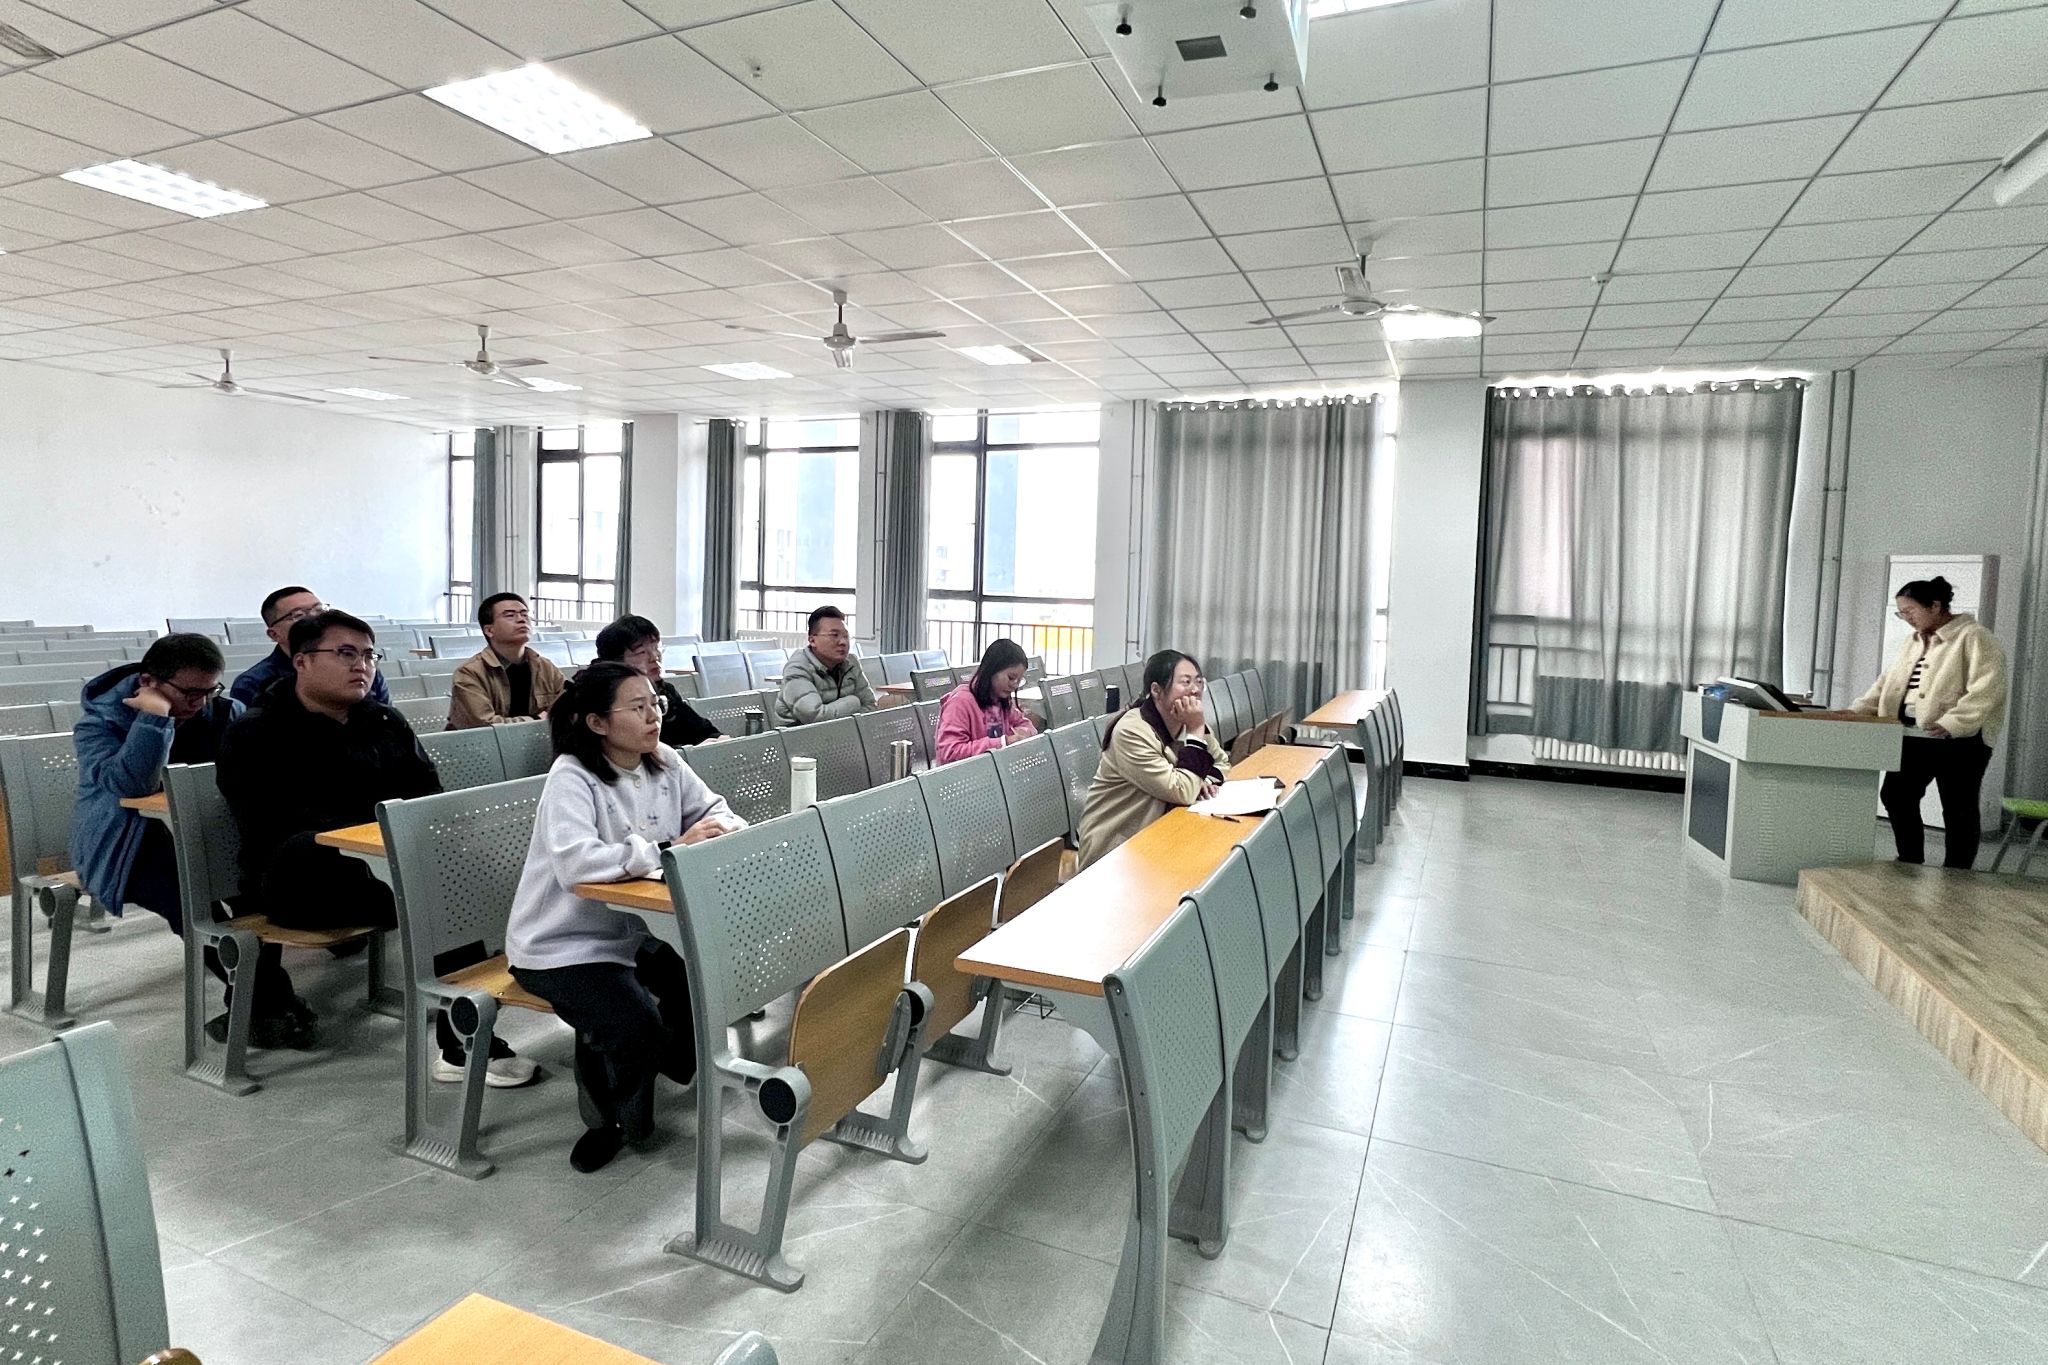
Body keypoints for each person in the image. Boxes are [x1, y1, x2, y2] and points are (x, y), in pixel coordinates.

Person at [217, 609, 537, 1083]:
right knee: (446, 896)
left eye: (369, 655)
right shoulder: (258, 731)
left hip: (383, 864)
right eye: (346, 654)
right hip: (296, 880)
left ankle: (478, 1019)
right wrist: (387, 838)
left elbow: (426, 794)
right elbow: (272, 822)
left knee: (480, 877)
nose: (361, 666)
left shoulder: (383, 719)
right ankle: (463, 1042)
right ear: (302, 661)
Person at [506, 662, 742, 1173]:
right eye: (638, 707)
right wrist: (670, 847)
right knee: (633, 1025)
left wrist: (721, 829)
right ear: (597, 722)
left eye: (656, 703)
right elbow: (576, 863)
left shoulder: (663, 760)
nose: (654, 715)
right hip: (561, 944)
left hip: (635, 933)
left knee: (706, 982)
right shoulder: (572, 775)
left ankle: (658, 1063)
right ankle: (608, 1120)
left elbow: (716, 809)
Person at [70, 634, 306, 1040]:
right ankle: (265, 1002)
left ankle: (256, 1003)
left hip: (208, 832)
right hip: (128, 844)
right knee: (193, 904)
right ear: (149, 681)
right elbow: (132, 785)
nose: (200, 703)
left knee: (259, 888)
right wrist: (154, 719)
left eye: (210, 691)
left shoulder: (224, 711)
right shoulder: (101, 723)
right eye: (190, 693)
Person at [1850, 576, 2010, 869]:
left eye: (1910, 611)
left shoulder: (1974, 636)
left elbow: (1988, 687)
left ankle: (1957, 871)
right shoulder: (1912, 642)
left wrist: (1955, 722)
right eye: (1901, 613)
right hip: (1914, 735)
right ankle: (1910, 859)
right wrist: (1857, 711)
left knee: (1958, 806)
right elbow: (1887, 685)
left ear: (1935, 606)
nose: (1907, 618)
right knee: (1896, 795)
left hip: (1961, 740)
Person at [1076, 649, 1230, 870]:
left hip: (1162, 833)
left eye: (1198, 681)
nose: (1195, 690)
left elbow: (1222, 763)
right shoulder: (1132, 731)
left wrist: (1202, 781)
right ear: (1157, 690)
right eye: (1185, 682)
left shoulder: (1189, 721)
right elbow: (1182, 791)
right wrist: (1195, 732)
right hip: (1117, 847)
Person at [231, 585, 390, 707]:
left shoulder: (362, 667)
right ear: (274, 634)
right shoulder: (252, 683)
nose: (316, 618)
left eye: (319, 610)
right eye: (299, 615)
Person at [593, 615, 719, 748]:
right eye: (641, 652)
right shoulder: (604, 698)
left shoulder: (665, 691)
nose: (654, 657)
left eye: (656, 648)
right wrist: (687, 751)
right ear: (616, 661)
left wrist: (719, 740)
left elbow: (702, 730)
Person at [448, 592, 565, 730]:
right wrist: (536, 720)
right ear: (489, 630)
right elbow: (483, 726)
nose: (521, 620)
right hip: (487, 743)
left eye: (525, 614)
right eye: (510, 615)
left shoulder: (545, 667)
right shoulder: (469, 673)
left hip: (538, 740)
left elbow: (567, 706)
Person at [933, 638, 1037, 764]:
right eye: (1011, 677)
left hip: (993, 770)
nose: (1014, 685)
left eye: (1019, 680)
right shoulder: (960, 702)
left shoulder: (1001, 699)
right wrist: (1002, 742)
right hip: (965, 774)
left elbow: (1026, 725)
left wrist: (1024, 733)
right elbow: (949, 752)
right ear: (992, 670)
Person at [773, 605, 874, 726]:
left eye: (846, 636)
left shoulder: (851, 663)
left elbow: (870, 707)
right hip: (799, 736)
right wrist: (854, 702)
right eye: (834, 635)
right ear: (812, 640)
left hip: (842, 734)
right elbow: (815, 717)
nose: (842, 642)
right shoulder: (797, 669)